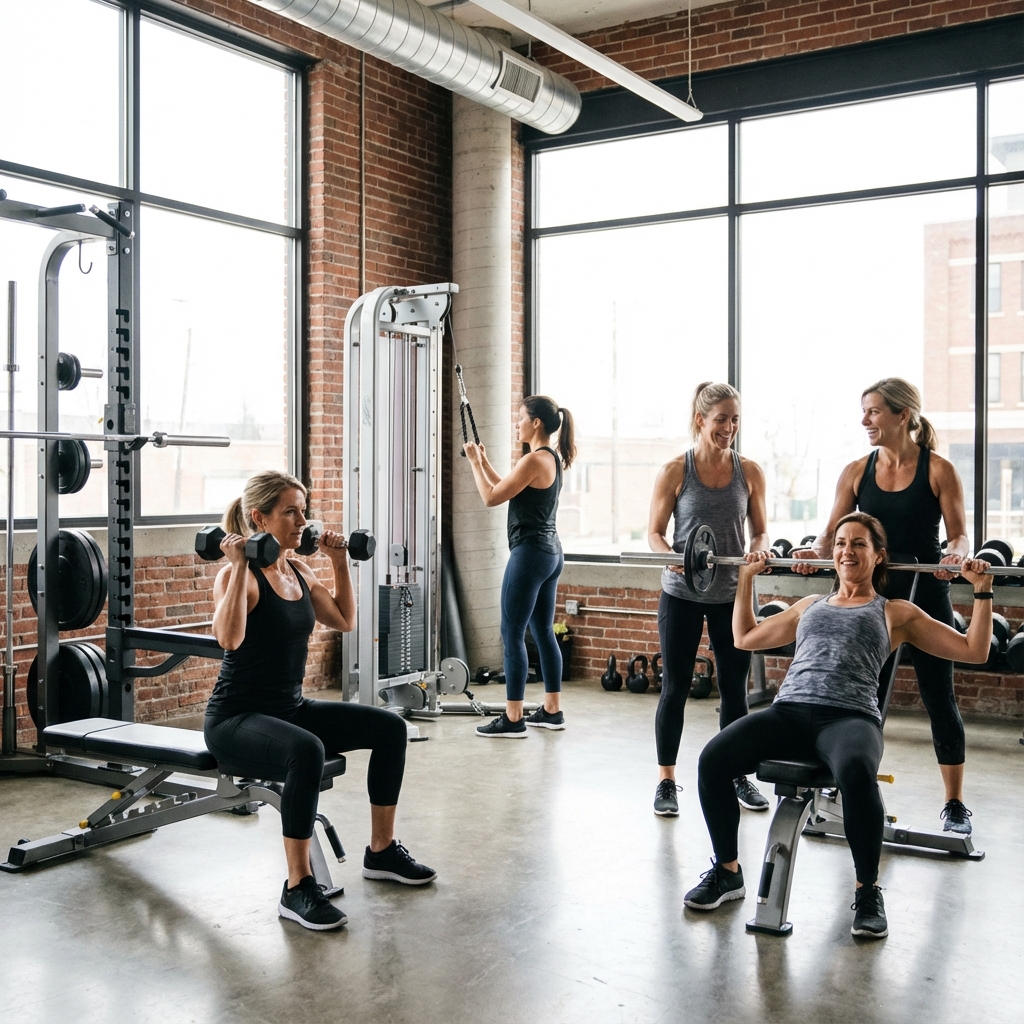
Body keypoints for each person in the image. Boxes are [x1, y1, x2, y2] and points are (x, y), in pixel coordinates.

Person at [683, 513, 992, 939]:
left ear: (879, 557)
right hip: (789, 711)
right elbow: (745, 637)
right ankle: (728, 871)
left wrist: (982, 591)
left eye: (859, 544)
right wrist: (746, 578)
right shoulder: (808, 605)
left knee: (856, 772)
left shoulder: (896, 612)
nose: (848, 550)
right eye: (842, 543)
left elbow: (974, 650)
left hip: (849, 718)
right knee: (713, 759)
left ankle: (867, 891)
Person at [204, 471, 435, 933]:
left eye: (303, 509)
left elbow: (345, 620)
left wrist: (338, 560)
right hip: (235, 720)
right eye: (290, 510)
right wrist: (238, 568)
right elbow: (228, 639)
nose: (301, 519)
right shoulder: (238, 576)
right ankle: (297, 887)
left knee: (389, 729)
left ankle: (381, 851)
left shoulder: (298, 570)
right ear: (259, 518)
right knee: (305, 749)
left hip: (288, 709)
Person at [792, 378, 975, 835]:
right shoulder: (856, 470)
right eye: (864, 411)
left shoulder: (938, 470)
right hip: (864, 597)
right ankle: (846, 783)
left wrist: (954, 555)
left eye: (873, 411)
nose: (865, 421)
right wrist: (816, 552)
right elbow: (830, 531)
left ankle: (954, 804)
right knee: (857, 695)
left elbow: (958, 534)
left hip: (923, 594)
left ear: (902, 415)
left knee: (939, 696)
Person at [647, 382, 771, 817]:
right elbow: (655, 534)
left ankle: (737, 775)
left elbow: (759, 531)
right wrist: (671, 558)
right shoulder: (675, 471)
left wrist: (758, 549)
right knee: (675, 687)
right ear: (701, 419)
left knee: (734, 689)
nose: (729, 428)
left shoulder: (750, 472)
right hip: (682, 593)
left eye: (735, 419)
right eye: (721, 419)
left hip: (732, 596)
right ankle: (666, 781)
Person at [463, 396, 576, 737]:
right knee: (541, 631)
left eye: (520, 418)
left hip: (531, 555)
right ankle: (552, 711)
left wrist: (471, 463)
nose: (516, 423)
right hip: (551, 554)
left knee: (511, 633)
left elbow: (491, 497)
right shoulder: (547, 457)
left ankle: (513, 718)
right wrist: (483, 461)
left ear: (536, 423)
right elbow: (508, 488)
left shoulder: (534, 458)